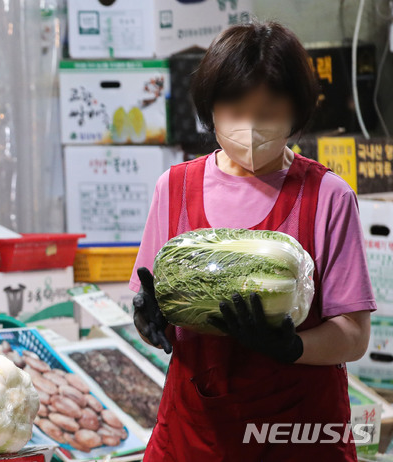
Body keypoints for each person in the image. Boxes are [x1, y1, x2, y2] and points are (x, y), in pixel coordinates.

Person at [130, 21, 375, 461]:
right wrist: (149, 323)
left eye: (267, 113)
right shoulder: (174, 187)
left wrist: (293, 347)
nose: (249, 126)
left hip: (297, 431)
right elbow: (160, 310)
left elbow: (354, 336)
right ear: (211, 108)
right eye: (235, 110)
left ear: (296, 111)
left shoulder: (327, 196)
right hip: (197, 431)